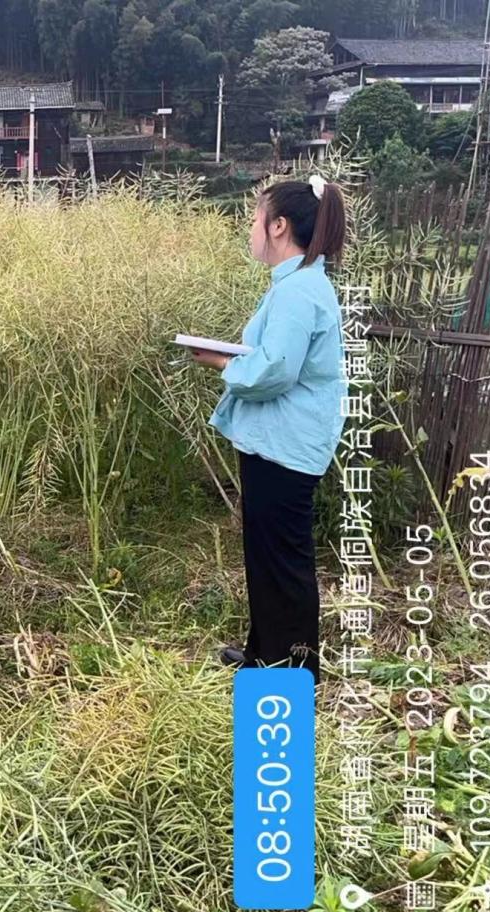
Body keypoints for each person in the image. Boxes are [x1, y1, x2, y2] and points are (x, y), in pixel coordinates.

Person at [187, 175, 348, 684]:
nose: (251, 230)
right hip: (279, 441)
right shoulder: (297, 284)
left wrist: (220, 361)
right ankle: (266, 656)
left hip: (286, 445)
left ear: (279, 226)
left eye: (256, 219)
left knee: (283, 561)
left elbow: (276, 370)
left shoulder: (299, 290)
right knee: (267, 554)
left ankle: (292, 671)